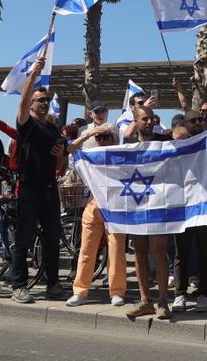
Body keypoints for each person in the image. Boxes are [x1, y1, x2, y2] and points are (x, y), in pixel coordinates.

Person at [66, 99, 128, 308]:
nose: (102, 139)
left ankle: (117, 291)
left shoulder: (121, 156)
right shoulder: (89, 154)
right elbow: (70, 149)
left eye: (106, 136)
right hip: (93, 204)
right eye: (100, 137)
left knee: (116, 250)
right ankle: (80, 291)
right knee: (86, 249)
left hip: (115, 207)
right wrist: (90, 133)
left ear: (114, 138)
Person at [171, 80, 207, 312]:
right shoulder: (178, 144)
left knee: (205, 252)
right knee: (181, 253)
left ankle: (203, 294)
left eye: (200, 119)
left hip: (204, 203)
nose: (198, 123)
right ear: (185, 124)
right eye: (193, 120)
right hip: (183, 204)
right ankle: (180, 294)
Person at [12, 64, 66, 304]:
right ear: (32, 104)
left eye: (46, 100)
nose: (44, 103)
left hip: (49, 188)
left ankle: (52, 283)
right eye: (40, 100)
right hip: (29, 187)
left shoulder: (52, 128)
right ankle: (19, 285)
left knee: (53, 239)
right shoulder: (27, 124)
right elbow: (22, 105)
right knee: (23, 239)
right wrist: (32, 76)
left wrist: (60, 154)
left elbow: (61, 164)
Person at [125, 104, 174, 320]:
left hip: (159, 204)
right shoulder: (128, 146)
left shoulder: (164, 142)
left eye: (151, 118)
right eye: (144, 118)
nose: (148, 122)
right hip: (136, 205)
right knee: (139, 251)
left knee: (160, 251)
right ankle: (145, 300)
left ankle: (163, 301)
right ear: (135, 121)